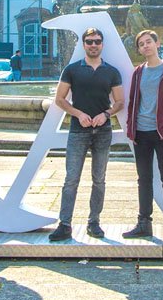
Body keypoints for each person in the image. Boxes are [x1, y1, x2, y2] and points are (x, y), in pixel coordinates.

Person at [49, 27, 124, 242]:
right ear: (83, 44)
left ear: (102, 44)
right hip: (78, 131)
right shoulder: (72, 69)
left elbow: (119, 102)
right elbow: (60, 99)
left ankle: (94, 222)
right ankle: (64, 225)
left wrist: (106, 114)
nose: (93, 45)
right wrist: (78, 113)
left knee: (99, 180)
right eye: (89, 41)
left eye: (97, 41)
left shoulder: (112, 71)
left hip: (103, 131)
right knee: (71, 179)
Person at [123, 30, 163, 243]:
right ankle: (144, 223)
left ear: (157, 43)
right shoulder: (138, 72)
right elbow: (133, 101)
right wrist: (131, 128)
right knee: (144, 179)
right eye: (141, 44)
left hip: (162, 132)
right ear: (139, 49)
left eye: (149, 42)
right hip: (141, 132)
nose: (145, 46)